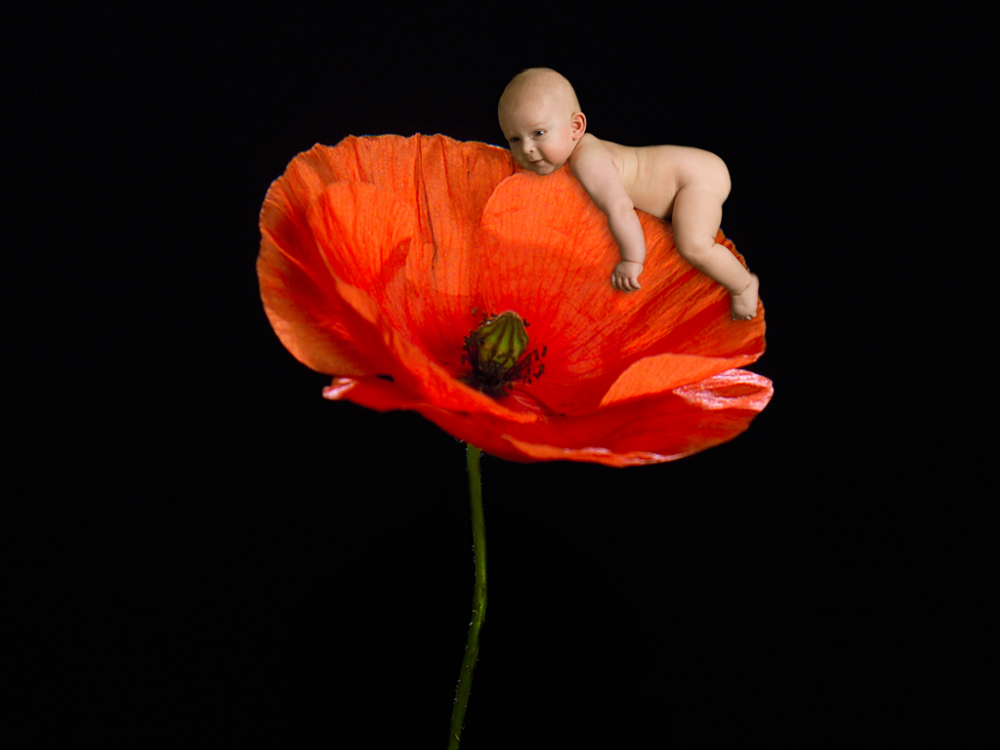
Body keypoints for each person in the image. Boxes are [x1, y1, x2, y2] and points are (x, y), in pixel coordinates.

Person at [498, 68, 759, 320]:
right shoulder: (583, 152)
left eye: (538, 133)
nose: (527, 148)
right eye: (515, 139)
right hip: (692, 171)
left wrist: (632, 260)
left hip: (695, 179)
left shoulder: (587, 161)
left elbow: (620, 208)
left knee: (694, 245)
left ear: (576, 126)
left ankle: (743, 285)